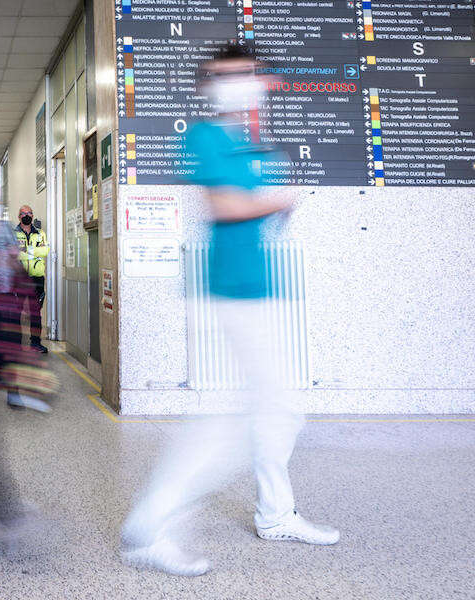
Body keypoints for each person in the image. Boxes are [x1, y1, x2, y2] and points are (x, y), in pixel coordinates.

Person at [119, 43, 339, 578]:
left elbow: (259, 212)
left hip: (255, 287)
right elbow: (228, 207)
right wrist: (281, 197)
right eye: (225, 75)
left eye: (246, 73)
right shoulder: (207, 136)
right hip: (231, 287)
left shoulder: (249, 141)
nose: (238, 82)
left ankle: (275, 512)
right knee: (254, 415)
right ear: (209, 88)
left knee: (276, 408)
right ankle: (151, 524)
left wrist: (276, 196)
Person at [0, 189, 52, 413]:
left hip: (6, 296)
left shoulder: (5, 228)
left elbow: (17, 256)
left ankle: (13, 392)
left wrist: (18, 270)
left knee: (12, 344)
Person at [14, 205, 49, 353]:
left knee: (35, 313)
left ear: (33, 216)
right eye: (23, 213)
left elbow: (45, 250)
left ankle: (35, 343)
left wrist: (27, 251)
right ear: (19, 216)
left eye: (29, 213)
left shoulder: (40, 234)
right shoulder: (13, 234)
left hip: (37, 279)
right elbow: (14, 253)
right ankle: (16, 344)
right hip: (19, 279)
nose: (27, 215)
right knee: (17, 311)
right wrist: (35, 252)